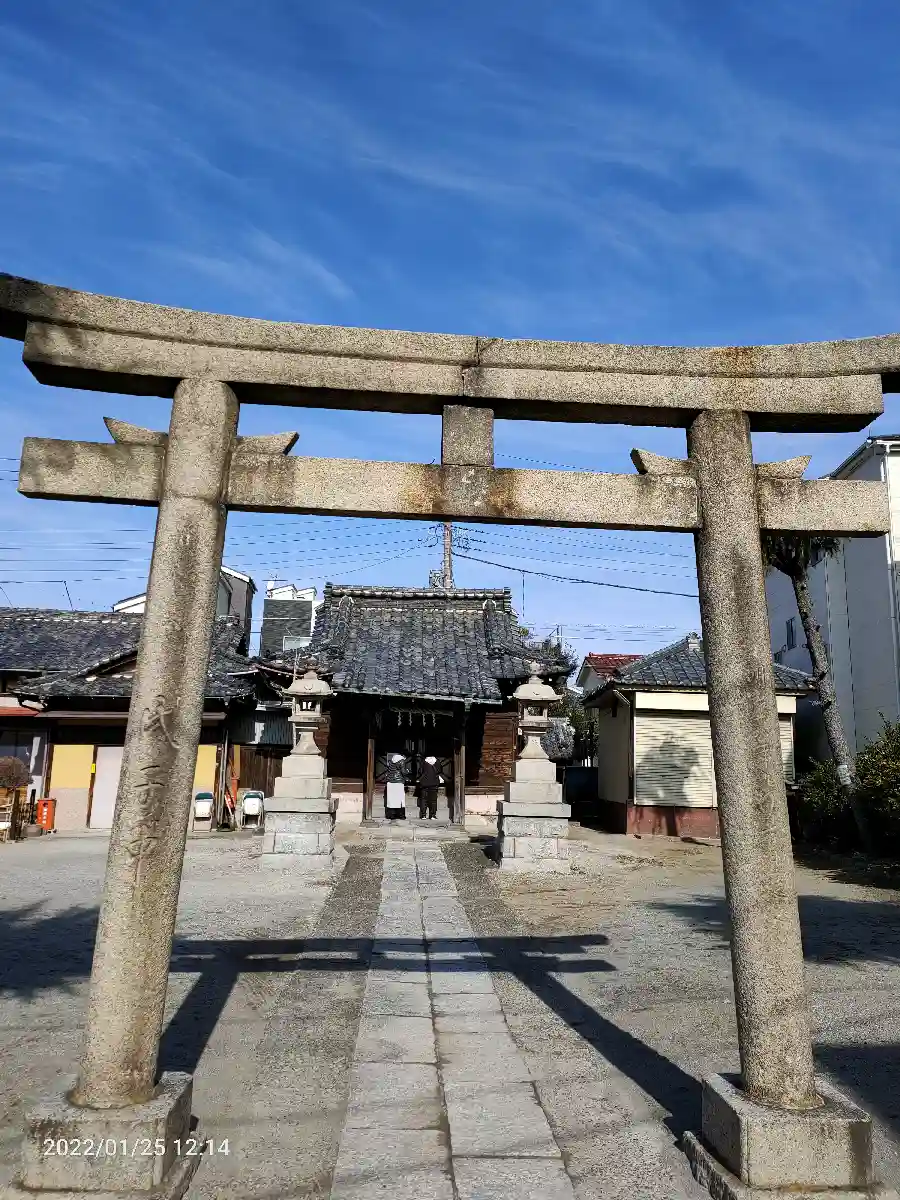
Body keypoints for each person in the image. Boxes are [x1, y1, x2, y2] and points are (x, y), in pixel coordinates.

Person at [384, 753, 407, 820]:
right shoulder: (401, 761)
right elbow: (403, 772)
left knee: (392, 800)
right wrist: (407, 771)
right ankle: (401, 815)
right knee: (400, 799)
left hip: (390, 782)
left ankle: (391, 815)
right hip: (398, 782)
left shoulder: (391, 760)